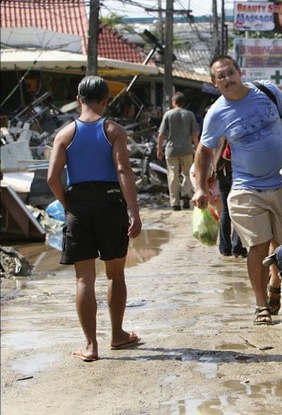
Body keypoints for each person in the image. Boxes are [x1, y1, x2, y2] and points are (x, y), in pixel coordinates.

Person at [193, 55, 282, 326]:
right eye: (221, 76)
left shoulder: (267, 91)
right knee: (257, 245)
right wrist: (199, 187)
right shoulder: (216, 113)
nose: (228, 79)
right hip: (246, 186)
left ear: (240, 72)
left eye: (230, 72)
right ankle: (261, 306)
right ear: (214, 82)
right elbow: (204, 150)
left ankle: (275, 282)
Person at [46, 75, 143, 362]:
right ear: (105, 100)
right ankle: (117, 335)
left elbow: (52, 177)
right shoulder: (114, 130)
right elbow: (124, 170)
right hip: (110, 202)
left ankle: (90, 346)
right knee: (115, 273)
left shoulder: (64, 133)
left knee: (83, 279)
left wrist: (68, 204)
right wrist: (133, 211)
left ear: (78, 99)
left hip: (78, 203)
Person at [156, 91, 200, 211]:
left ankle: (175, 203)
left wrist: (159, 149)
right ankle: (186, 197)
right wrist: (197, 149)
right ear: (183, 103)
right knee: (187, 174)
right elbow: (194, 135)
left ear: (174, 102)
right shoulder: (190, 114)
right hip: (186, 149)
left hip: (171, 150)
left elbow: (161, 135)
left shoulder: (168, 114)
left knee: (172, 175)